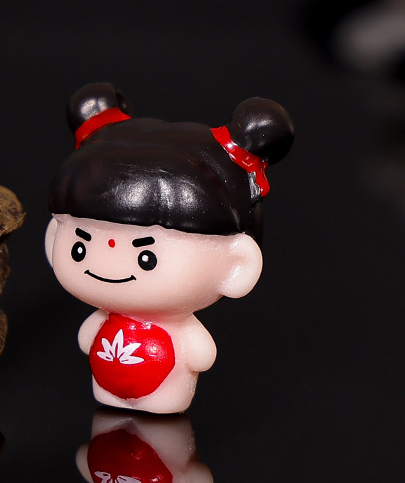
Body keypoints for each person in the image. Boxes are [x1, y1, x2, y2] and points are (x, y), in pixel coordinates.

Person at [45, 83, 294, 413]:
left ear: (237, 266)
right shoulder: (105, 316)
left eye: (145, 257)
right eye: (80, 248)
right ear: (53, 239)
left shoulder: (183, 329)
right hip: (106, 388)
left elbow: (202, 354)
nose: (108, 262)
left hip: (167, 393)